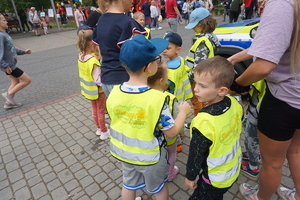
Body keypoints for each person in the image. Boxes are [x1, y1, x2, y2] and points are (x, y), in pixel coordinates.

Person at [227, 0, 300, 199]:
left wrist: (237, 84)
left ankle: (261, 197)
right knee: (295, 152)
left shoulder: (281, 4)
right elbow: (273, 45)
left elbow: (263, 65)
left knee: (272, 163)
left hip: (283, 100)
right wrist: (234, 59)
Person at [106, 34, 192, 200]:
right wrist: (183, 112)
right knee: (159, 188)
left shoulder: (114, 92)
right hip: (150, 158)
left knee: (128, 185)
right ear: (149, 67)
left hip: (124, 153)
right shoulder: (158, 99)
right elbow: (172, 132)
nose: (159, 62)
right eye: (157, 59)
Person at [185, 56, 243, 200]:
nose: (195, 89)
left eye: (202, 86)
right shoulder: (235, 103)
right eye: (196, 83)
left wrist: (191, 177)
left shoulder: (203, 122)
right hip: (233, 169)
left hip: (213, 178)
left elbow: (196, 155)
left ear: (222, 90)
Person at [93, 0, 147, 97]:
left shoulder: (101, 20)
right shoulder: (128, 23)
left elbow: (100, 54)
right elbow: (139, 56)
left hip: (106, 79)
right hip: (125, 81)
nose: (132, 2)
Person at [147, 62, 182, 182]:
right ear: (161, 80)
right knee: (171, 154)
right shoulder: (170, 99)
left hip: (151, 138)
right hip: (169, 137)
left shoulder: (142, 95)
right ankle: (170, 173)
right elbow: (178, 118)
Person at [185, 7, 221, 119]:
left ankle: (198, 123)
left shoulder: (202, 42)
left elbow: (199, 66)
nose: (193, 29)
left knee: (197, 102)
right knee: (204, 101)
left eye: (195, 25)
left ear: (203, 24)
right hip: (205, 76)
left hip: (197, 79)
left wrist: (187, 76)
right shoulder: (211, 38)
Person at [77, 30, 109, 140]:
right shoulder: (92, 61)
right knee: (101, 110)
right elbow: (98, 79)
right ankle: (104, 131)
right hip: (98, 90)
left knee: (94, 110)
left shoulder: (81, 56)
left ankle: (98, 128)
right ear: (92, 43)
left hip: (88, 90)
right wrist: (104, 84)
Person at [0, 14, 32, 109]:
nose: (6, 22)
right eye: (3, 20)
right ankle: (8, 95)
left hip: (9, 66)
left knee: (15, 81)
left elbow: (11, 49)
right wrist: (5, 66)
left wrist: (24, 52)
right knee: (27, 80)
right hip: (9, 67)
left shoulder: (5, 34)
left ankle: (8, 103)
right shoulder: (1, 36)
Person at [163, 31, 193, 103]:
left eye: (168, 48)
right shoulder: (181, 60)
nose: (164, 51)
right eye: (163, 47)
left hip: (172, 103)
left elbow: (167, 87)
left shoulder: (172, 68)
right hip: (181, 99)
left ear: (178, 50)